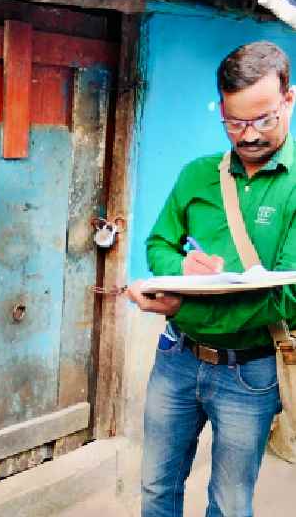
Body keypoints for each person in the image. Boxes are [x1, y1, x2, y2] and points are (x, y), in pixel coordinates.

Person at [127, 41, 296, 516]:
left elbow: (288, 297)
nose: (249, 136)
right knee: (156, 489)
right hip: (176, 359)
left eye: (264, 119)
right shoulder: (196, 175)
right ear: (221, 109)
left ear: (290, 99)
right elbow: (159, 243)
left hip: (252, 370)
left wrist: (187, 305)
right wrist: (179, 268)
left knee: (228, 503)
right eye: (235, 122)